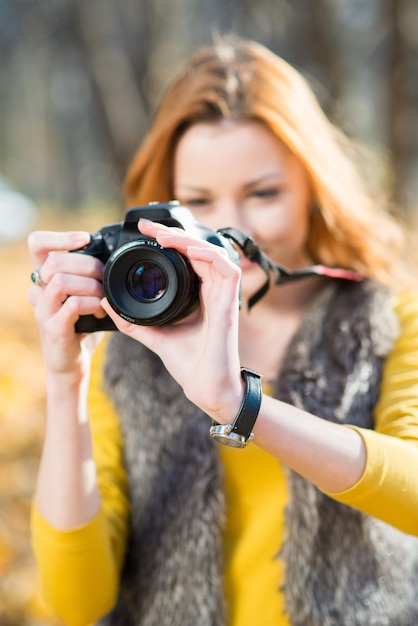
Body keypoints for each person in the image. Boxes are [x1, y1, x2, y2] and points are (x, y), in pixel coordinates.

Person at [27, 35, 418, 626]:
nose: (232, 225)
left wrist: (241, 406)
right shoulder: (134, 347)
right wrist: (65, 377)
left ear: (314, 188)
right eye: (199, 201)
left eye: (264, 193)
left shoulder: (389, 318)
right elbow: (77, 602)